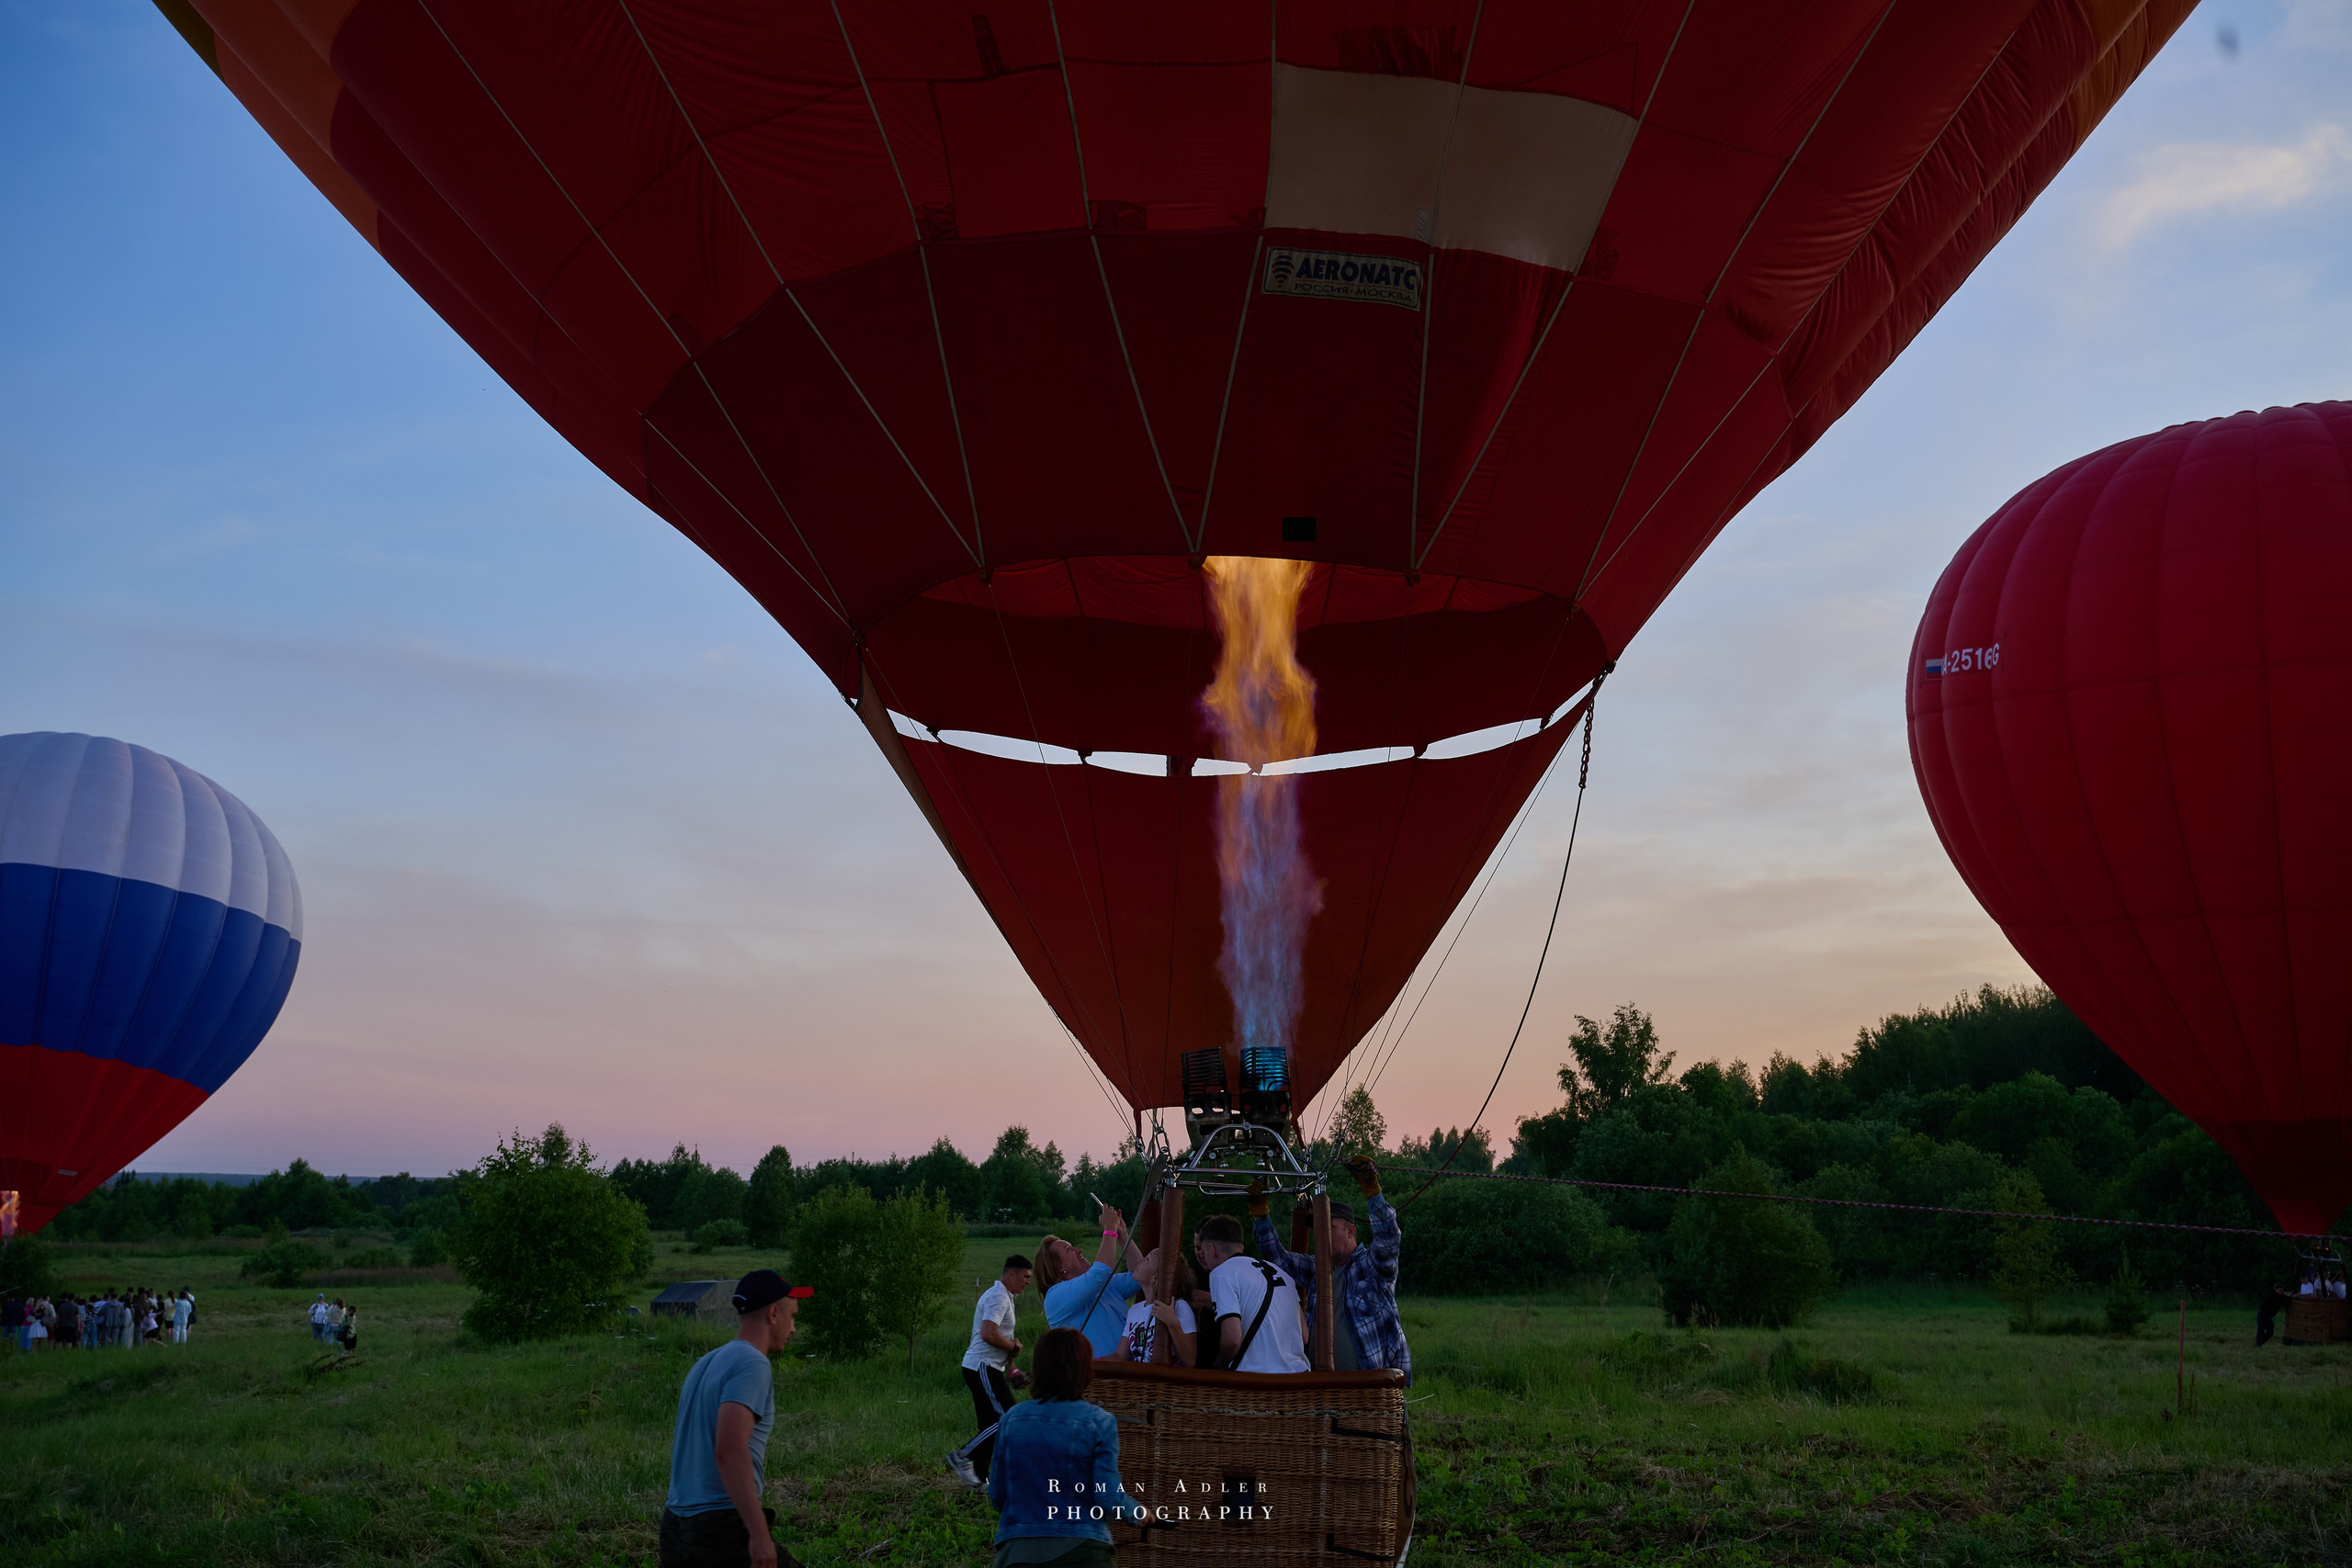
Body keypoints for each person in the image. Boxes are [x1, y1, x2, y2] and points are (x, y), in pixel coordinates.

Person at [661, 1268, 812, 1568]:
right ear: (773, 1314)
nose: (793, 1328)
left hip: (675, 1529)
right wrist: (758, 1535)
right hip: (720, 1531)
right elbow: (729, 1451)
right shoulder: (752, 1363)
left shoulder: (707, 1362)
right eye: (792, 1316)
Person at [985, 1326, 1144, 1568]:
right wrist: (1138, 1513)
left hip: (1018, 1551)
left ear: (1039, 1368)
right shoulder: (1099, 1422)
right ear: (1085, 1371)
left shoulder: (1012, 1420)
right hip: (1083, 1549)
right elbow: (1109, 1498)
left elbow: (998, 1495)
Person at [1247, 1158, 1410, 1382]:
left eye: (1329, 1227)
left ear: (1351, 1231)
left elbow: (1389, 1239)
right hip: (1321, 1384)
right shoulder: (1317, 1268)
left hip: (1368, 1385)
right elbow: (1278, 1261)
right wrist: (1260, 1213)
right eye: (1319, 1229)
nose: (1322, 1235)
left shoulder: (1370, 1266)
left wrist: (1372, 1191)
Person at [945, 1255, 1033, 1488]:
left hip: (985, 1367)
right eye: (1025, 1277)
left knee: (988, 1424)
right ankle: (961, 1456)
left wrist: (1012, 1370)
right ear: (1011, 1274)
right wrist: (1014, 1346)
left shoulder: (1006, 1296)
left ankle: (981, 1482)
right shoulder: (998, 1297)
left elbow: (998, 1338)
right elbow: (988, 1334)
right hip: (982, 1367)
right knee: (1008, 1419)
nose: (1028, 1282)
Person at [1193, 1215, 1308, 1374]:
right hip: (1298, 1377)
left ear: (1211, 1249)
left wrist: (1220, 1362)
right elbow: (1304, 1336)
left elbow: (1232, 1340)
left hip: (1256, 1380)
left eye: (1204, 1251)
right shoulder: (1282, 1274)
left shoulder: (1221, 1273)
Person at [1035, 1201, 1145, 1356]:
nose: (1079, 1250)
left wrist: (1123, 1235)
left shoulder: (1104, 1285)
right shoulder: (1055, 1297)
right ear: (1059, 1268)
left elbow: (1140, 1274)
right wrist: (1109, 1229)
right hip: (1097, 1377)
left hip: (1128, 1374)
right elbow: (1100, 1272)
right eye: (1069, 1249)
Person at [1107, 1247, 1195, 1368]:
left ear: (1156, 1276)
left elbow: (1190, 1360)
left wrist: (1172, 1323)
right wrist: (1090, 1361)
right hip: (1141, 1381)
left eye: (1147, 1259)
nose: (1140, 1261)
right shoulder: (1134, 1310)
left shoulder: (1179, 1307)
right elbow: (1119, 1356)